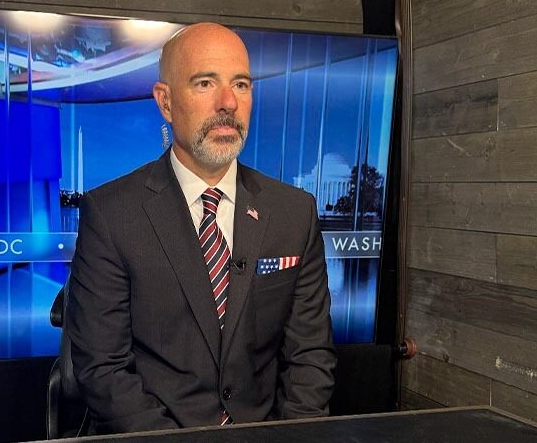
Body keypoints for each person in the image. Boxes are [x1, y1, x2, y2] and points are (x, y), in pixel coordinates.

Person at [65, 22, 336, 435]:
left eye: (241, 84)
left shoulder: (294, 212)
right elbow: (104, 370)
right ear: (166, 102)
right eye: (205, 83)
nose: (228, 102)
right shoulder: (111, 213)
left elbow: (310, 357)